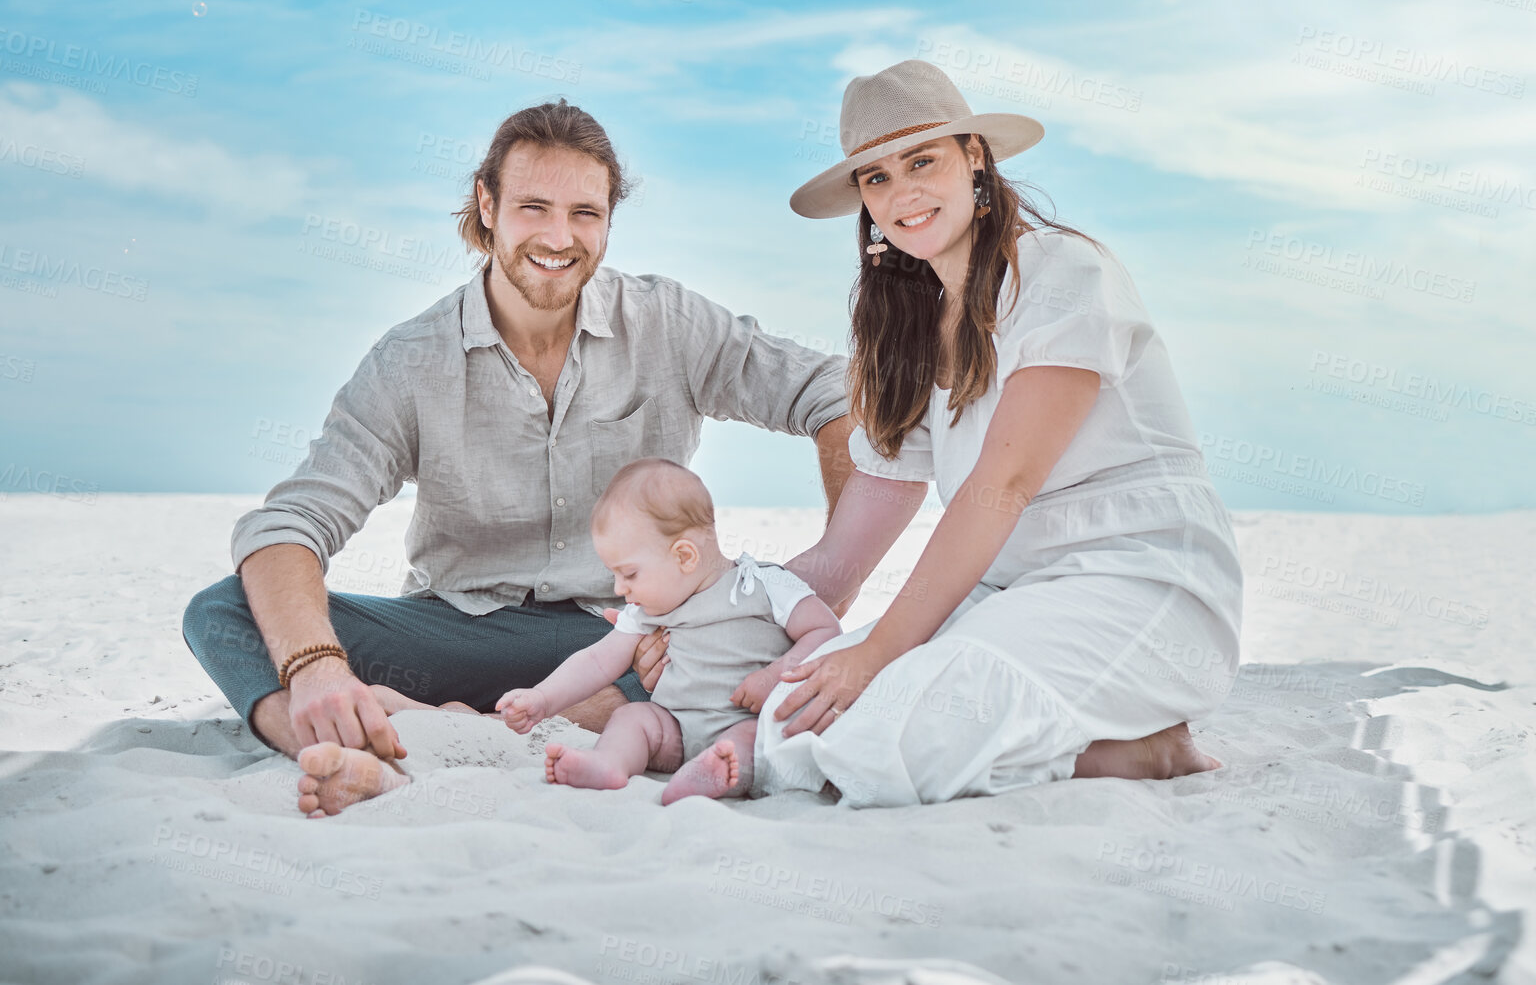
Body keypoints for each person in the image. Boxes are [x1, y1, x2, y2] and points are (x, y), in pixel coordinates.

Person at [177, 99, 859, 818]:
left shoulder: (668, 325)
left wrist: (828, 579)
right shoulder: (411, 361)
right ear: (488, 204)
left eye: (585, 214)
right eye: (533, 207)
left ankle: (427, 731)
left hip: (622, 639)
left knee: (700, 663)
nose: (559, 237)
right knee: (222, 611)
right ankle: (339, 739)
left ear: (608, 219)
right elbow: (291, 522)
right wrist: (314, 668)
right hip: (453, 630)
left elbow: (836, 396)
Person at [752, 59, 1245, 808]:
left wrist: (882, 651)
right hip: (1010, 595)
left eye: (922, 161)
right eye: (877, 178)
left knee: (894, 724)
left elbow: (1000, 487)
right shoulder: (906, 331)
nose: (902, 194)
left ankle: (1138, 752)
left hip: (1139, 584)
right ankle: (1108, 744)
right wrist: (730, 626)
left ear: (974, 158)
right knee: (788, 712)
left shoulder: (1062, 273)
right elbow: (845, 551)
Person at [496, 458, 842, 804]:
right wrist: (543, 697)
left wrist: (775, 675)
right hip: (674, 729)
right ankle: (608, 763)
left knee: (749, 740)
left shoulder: (764, 585)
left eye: (629, 574)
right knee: (633, 717)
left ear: (685, 556)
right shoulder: (649, 609)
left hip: (748, 721)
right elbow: (597, 661)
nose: (619, 588)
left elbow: (825, 629)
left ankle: (712, 774)